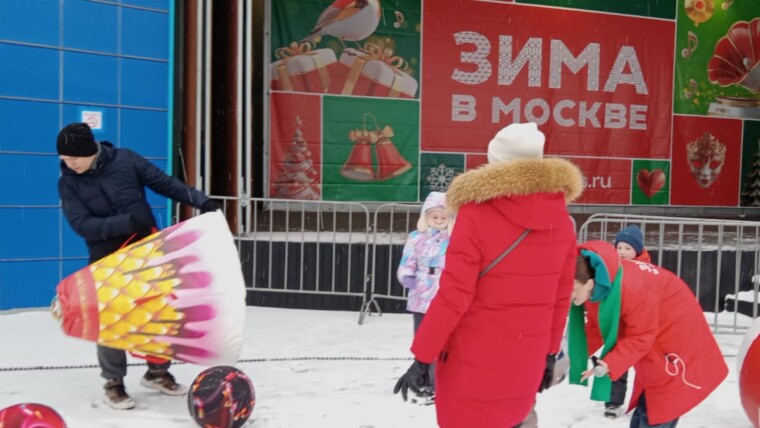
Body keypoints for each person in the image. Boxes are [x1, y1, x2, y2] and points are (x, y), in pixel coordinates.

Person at [393, 122, 584, 427]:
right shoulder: (560, 219)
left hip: (473, 356)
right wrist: (549, 352)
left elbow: (454, 295)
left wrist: (423, 355)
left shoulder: (476, 214)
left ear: (496, 162)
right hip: (527, 356)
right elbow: (560, 298)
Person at [56, 122, 221, 410]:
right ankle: (114, 383)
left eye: (74, 158)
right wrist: (128, 223)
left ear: (89, 151)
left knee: (158, 311)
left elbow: (165, 183)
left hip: (146, 251)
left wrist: (201, 201)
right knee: (112, 321)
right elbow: (82, 225)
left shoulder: (125, 160)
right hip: (106, 259)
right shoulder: (68, 182)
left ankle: (157, 372)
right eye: (64, 160)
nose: (69, 164)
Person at [568, 240, 729, 428]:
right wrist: (572, 357)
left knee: (658, 411)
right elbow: (597, 327)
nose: (567, 296)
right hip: (653, 344)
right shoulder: (600, 283)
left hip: (674, 345)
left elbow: (641, 336)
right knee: (647, 412)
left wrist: (609, 364)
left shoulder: (632, 288)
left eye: (571, 290)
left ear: (587, 284)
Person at [396, 191, 451, 400]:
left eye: (443, 217)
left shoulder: (454, 239)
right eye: (434, 217)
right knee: (421, 337)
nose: (438, 221)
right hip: (420, 294)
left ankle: (439, 378)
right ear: (426, 217)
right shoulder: (416, 238)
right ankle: (423, 375)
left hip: (444, 294)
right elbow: (407, 260)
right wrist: (407, 277)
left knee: (442, 338)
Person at [605, 224, 651, 419]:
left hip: (640, 325)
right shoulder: (612, 267)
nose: (622, 252)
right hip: (619, 324)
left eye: (627, 248)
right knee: (617, 364)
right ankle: (613, 401)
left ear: (637, 250)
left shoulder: (646, 269)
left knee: (644, 366)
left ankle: (645, 400)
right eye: (619, 247)